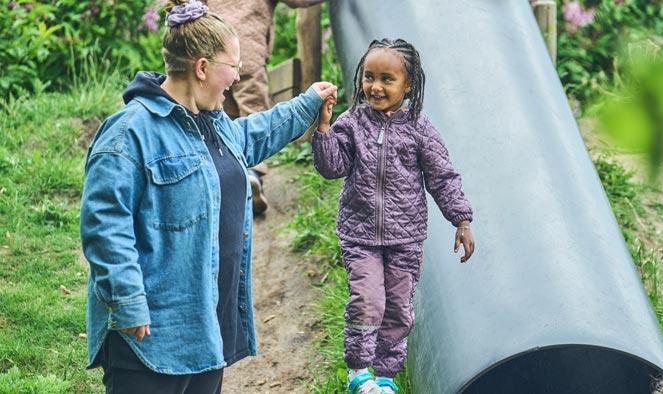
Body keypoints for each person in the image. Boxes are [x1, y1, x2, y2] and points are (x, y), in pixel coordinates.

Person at [79, 0, 337, 392]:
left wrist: (308, 104)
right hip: (153, 338)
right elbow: (104, 226)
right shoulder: (128, 134)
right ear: (202, 68)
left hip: (207, 329)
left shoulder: (211, 124)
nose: (236, 79)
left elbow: (254, 135)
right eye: (232, 68)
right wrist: (128, 301)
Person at [312, 38, 475, 394]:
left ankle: (385, 379)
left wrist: (461, 219)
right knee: (367, 300)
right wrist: (323, 130)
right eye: (369, 77)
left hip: (405, 238)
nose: (375, 86)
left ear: (408, 85)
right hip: (360, 234)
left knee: (398, 309)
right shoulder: (351, 122)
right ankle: (358, 372)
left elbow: (442, 177)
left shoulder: (419, 128)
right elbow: (332, 167)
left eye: (387, 79)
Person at [207, 0, 324, 215]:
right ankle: (253, 176)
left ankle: (227, 179)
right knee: (254, 111)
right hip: (246, 53)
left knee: (223, 118)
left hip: (213, 52)